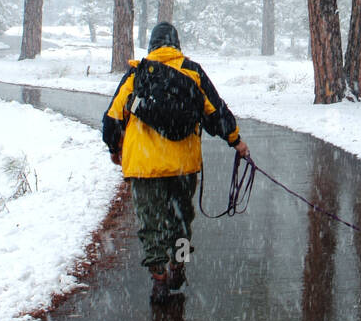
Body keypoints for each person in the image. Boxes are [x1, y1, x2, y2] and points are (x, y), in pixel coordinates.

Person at [103, 22, 251, 304]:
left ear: (152, 45)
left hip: (144, 168)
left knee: (151, 225)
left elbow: (111, 118)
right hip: (184, 166)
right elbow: (216, 111)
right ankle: (178, 265)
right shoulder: (192, 72)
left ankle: (159, 280)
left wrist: (114, 148)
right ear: (176, 44)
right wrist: (236, 142)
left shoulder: (136, 74)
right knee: (182, 223)